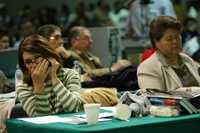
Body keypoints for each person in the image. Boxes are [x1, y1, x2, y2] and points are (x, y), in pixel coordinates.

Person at [16, 34, 118, 117]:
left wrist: (54, 78)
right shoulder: (23, 88)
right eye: (28, 61)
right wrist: (38, 86)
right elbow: (41, 118)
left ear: (48, 56)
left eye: (37, 58)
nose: (34, 65)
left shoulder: (69, 75)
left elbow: (73, 107)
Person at [137, 16, 200, 94]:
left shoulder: (187, 59)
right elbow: (154, 99)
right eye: (169, 39)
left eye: (177, 36)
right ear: (156, 42)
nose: (175, 42)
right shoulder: (148, 68)